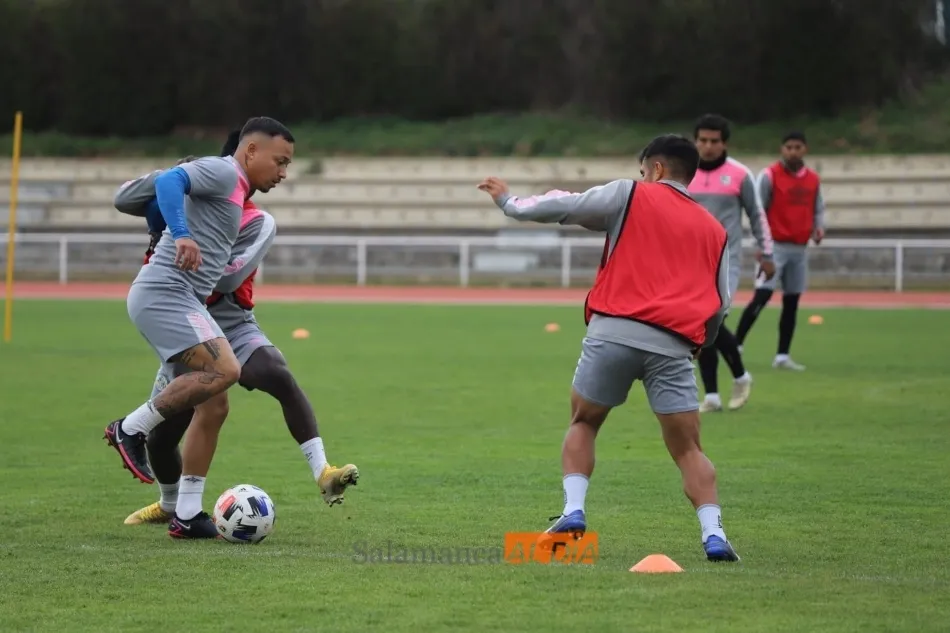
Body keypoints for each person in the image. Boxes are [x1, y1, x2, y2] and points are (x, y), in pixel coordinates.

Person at [477, 134, 740, 562]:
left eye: (644, 170)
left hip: (613, 331)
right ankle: (714, 535)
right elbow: (721, 305)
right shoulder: (715, 231)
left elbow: (567, 204)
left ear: (656, 169)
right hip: (673, 344)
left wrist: (510, 203)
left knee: (584, 421)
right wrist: (700, 343)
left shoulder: (629, 193)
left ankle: (573, 512)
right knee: (689, 448)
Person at [115, 134, 359, 537]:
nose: (282, 173)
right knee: (165, 435)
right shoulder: (190, 198)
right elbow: (124, 198)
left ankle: (322, 471)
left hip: (230, 320)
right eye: (279, 162)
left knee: (275, 374)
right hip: (183, 313)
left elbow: (228, 277)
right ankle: (172, 504)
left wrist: (187, 240)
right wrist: (171, 182)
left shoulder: (256, 219)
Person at [103, 117, 295, 537]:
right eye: (280, 161)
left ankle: (187, 515)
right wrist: (181, 233)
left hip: (183, 299)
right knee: (227, 370)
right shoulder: (225, 171)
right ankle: (129, 428)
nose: (283, 172)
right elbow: (171, 180)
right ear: (251, 151)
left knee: (216, 404)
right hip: (165, 292)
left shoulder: (235, 191)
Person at [688, 114, 775, 413]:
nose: (707, 146)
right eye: (702, 140)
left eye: (714, 141)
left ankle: (740, 376)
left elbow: (757, 215)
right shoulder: (685, 172)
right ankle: (713, 396)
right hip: (690, 263)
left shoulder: (739, 174)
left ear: (724, 143)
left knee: (711, 319)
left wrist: (767, 253)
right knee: (701, 325)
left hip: (726, 263)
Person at [734, 132, 825, 371]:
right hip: (774, 246)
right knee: (762, 296)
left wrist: (818, 227)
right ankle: (736, 344)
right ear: (782, 149)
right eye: (789, 147)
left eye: (797, 147)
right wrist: (760, 246)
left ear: (805, 149)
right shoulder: (770, 176)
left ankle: (782, 355)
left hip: (799, 248)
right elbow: (757, 210)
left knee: (792, 301)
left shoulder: (813, 179)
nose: (793, 151)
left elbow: (818, 207)